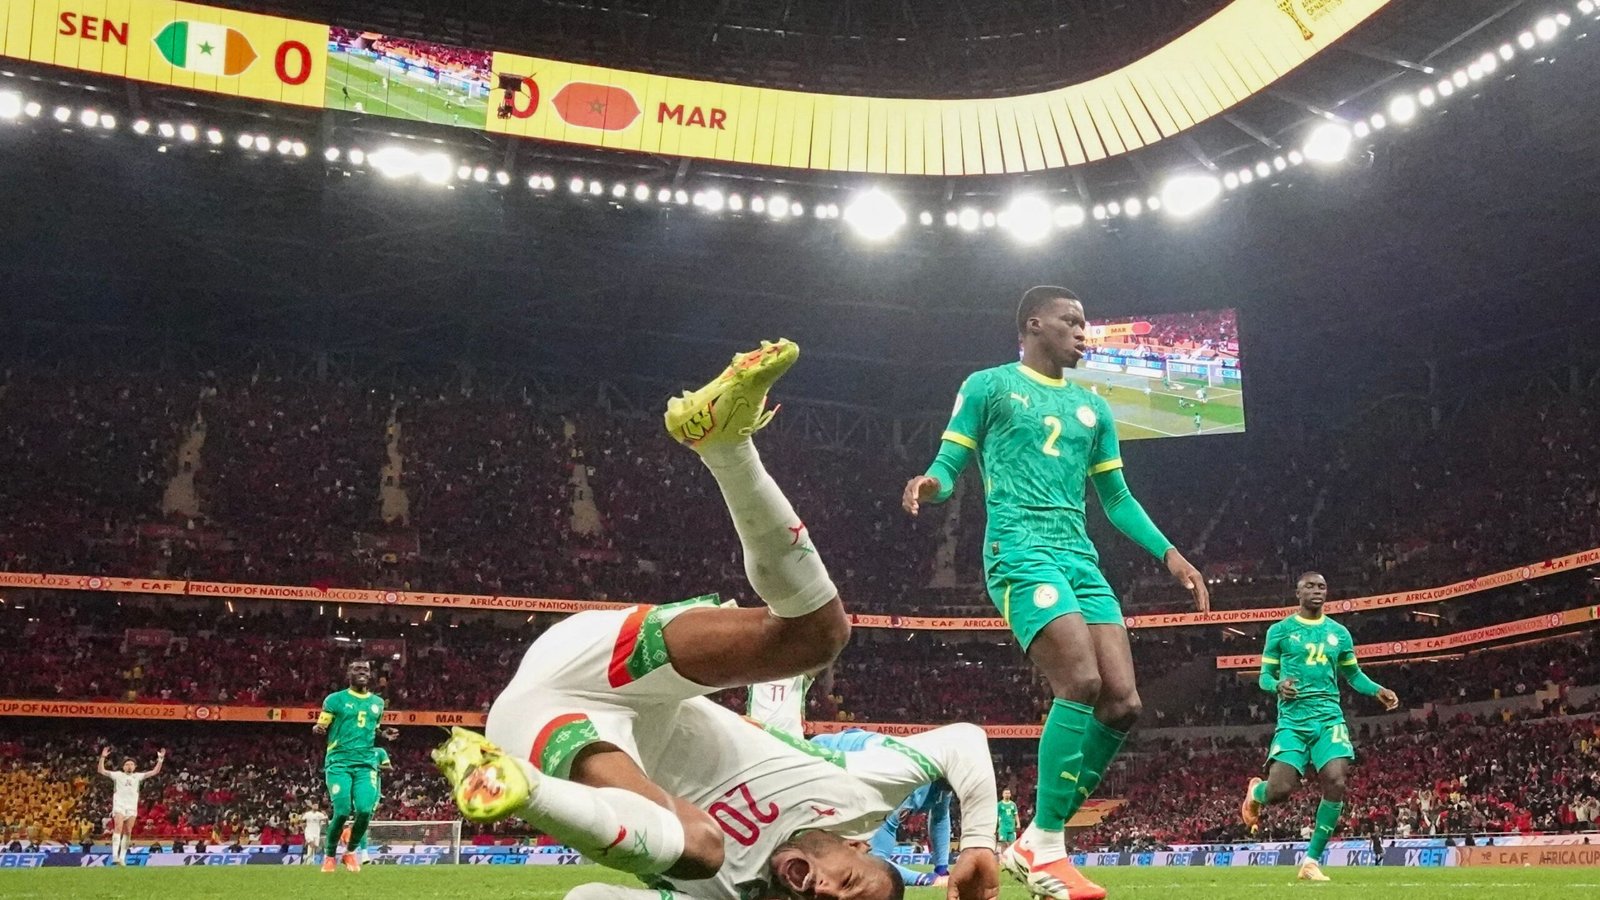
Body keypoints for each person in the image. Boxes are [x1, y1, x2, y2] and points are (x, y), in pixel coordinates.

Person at [431, 340, 1000, 900]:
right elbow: (963, 742)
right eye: (848, 882)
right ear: (858, 846)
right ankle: (723, 441)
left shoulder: (727, 895)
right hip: (601, 665)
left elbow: (587, 897)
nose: (823, 892)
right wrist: (979, 842)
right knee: (819, 634)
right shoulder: (857, 792)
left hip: (545, 740)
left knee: (702, 849)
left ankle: (510, 785)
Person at [903, 286, 1208, 900]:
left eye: (1085, 323)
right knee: (1081, 683)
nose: (1083, 332)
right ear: (1033, 324)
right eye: (1072, 322)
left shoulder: (1095, 410)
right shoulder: (988, 385)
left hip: (1081, 560)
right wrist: (928, 486)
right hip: (1019, 548)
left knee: (1124, 704)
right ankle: (1048, 852)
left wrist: (1170, 553)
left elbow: (1116, 500)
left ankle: (1037, 838)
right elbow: (948, 464)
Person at [1239, 572, 1400, 882]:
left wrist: (1377, 689)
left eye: (1322, 587)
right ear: (1297, 592)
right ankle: (1256, 792)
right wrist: (1278, 685)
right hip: (1293, 723)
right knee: (1280, 790)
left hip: (1329, 719)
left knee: (1337, 781)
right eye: (1310, 586)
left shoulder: (1339, 634)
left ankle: (1311, 861)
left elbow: (1353, 676)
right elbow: (1263, 677)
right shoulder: (1280, 631)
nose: (1317, 591)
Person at [312, 660, 399, 873]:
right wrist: (319, 728)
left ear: (370, 675)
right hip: (339, 763)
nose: (362, 673)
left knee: (364, 810)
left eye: (366, 670)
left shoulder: (378, 703)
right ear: (348, 674)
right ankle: (330, 855)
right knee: (341, 812)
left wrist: (383, 733)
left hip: (366, 764)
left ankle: (350, 852)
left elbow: (371, 727)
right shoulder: (335, 700)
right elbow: (323, 723)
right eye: (357, 669)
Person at [97, 746, 164, 866]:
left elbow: (154, 772)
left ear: (135, 767)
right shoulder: (117, 775)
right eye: (127, 764)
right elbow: (101, 770)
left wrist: (160, 759)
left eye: (131, 764)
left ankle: (122, 858)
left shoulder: (137, 776)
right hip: (119, 805)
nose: (129, 766)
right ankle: (114, 856)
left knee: (128, 831)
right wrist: (103, 757)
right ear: (123, 767)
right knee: (118, 827)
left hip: (132, 807)